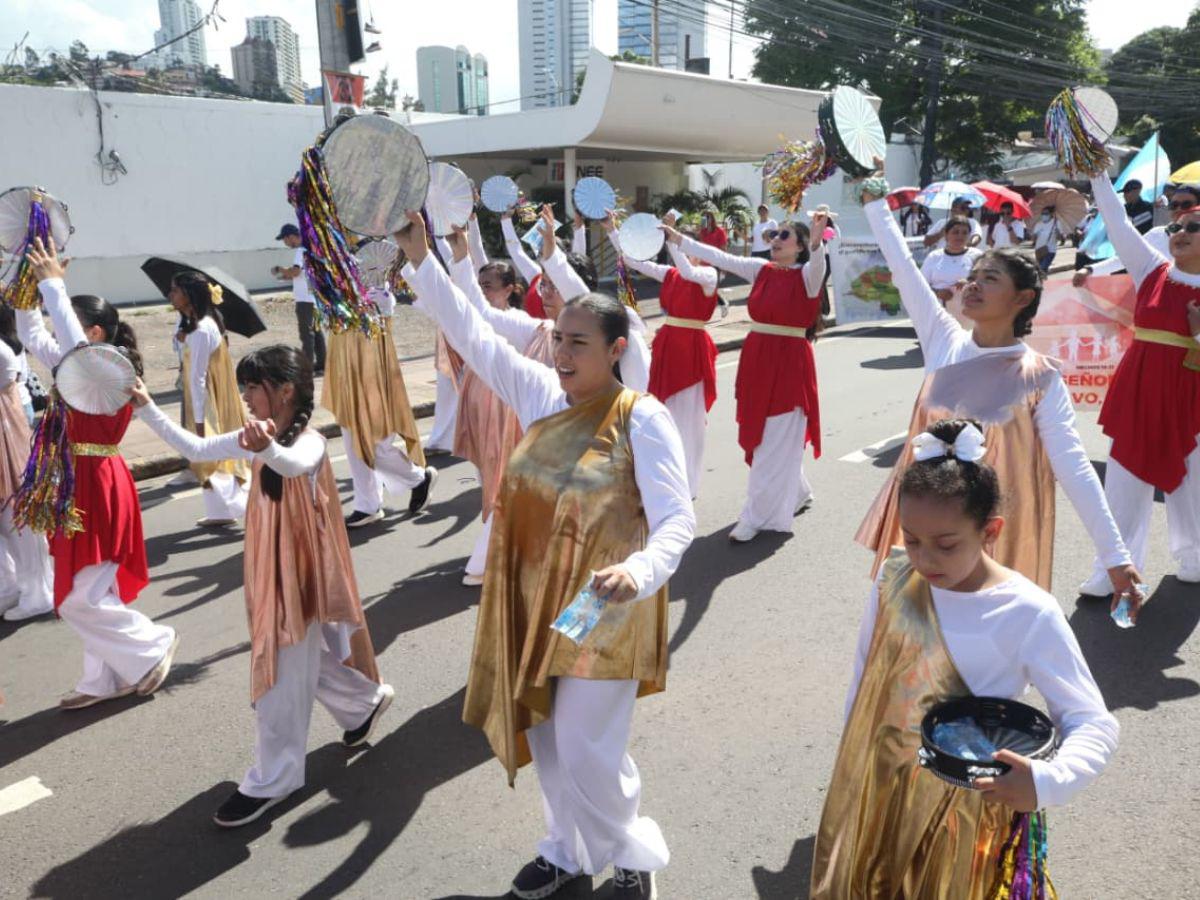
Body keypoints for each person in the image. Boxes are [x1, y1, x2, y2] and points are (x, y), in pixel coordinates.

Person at [397, 211, 694, 900]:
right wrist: (421, 256)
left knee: (591, 747)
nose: (561, 353)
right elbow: (471, 332)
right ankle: (567, 849)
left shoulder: (640, 417)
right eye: (558, 338)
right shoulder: (539, 395)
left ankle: (632, 858)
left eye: (578, 343)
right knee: (551, 740)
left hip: (605, 602)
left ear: (617, 348)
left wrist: (639, 570)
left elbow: (678, 519)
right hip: (537, 596)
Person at [811, 418, 1119, 898]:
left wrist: (1046, 781)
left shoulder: (1026, 611)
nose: (925, 558)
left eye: (947, 543)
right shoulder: (893, 577)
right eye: (911, 538)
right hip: (881, 793)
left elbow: (1092, 722)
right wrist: (850, 773)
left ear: (990, 531)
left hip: (962, 821)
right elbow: (865, 679)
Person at [131, 345, 394, 827]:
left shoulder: (309, 442)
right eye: (245, 386)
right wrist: (146, 406)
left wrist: (265, 449)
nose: (246, 396)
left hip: (298, 576)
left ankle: (275, 777)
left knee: (279, 670)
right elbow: (197, 449)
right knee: (297, 658)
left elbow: (292, 465)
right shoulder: (257, 435)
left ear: (286, 390)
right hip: (272, 569)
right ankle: (362, 703)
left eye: (254, 386)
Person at [857, 167, 1139, 597]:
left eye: (989, 279)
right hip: (920, 535)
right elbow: (903, 268)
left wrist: (1116, 557)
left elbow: (1075, 468)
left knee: (979, 651)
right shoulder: (944, 340)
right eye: (973, 277)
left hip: (988, 543)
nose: (973, 286)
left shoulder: (1040, 376)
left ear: (1023, 299)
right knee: (907, 644)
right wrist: (875, 204)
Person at [16, 237, 177, 709]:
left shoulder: (106, 369)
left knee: (76, 598)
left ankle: (151, 644)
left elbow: (66, 335)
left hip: (98, 483)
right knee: (96, 588)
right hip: (79, 480)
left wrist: (53, 285)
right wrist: (28, 291)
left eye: (80, 330)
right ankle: (102, 679)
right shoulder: (73, 366)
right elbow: (33, 337)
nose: (67, 335)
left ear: (98, 335)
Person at [663, 215, 827, 543]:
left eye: (784, 235)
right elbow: (721, 257)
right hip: (756, 360)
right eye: (774, 234)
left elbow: (819, 264)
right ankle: (797, 490)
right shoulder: (760, 269)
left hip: (789, 364)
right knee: (763, 431)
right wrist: (678, 239)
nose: (776, 239)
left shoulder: (808, 275)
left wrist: (818, 242)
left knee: (774, 436)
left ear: (799, 246)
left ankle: (755, 516)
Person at [1075, 171, 1200, 592]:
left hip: (1191, 396)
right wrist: (1097, 174)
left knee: (1191, 482)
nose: (1179, 231)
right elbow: (1117, 223)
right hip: (1141, 389)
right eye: (1177, 225)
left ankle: (1195, 553)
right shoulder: (1152, 269)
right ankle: (1112, 565)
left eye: (1193, 226)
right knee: (1124, 478)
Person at [603, 211, 719, 497]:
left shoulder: (708, 274)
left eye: (688, 248)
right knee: (664, 415)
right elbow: (633, 260)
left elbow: (689, 271)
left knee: (689, 422)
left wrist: (673, 240)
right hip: (669, 347)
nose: (685, 253)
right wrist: (612, 232)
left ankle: (688, 484)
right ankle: (667, 475)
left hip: (692, 350)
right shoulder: (671, 274)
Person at [324, 280, 436, 529]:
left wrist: (383, 305)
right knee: (352, 439)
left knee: (375, 444)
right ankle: (367, 504)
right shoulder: (333, 281)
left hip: (371, 368)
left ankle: (418, 478)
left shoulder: (376, 287)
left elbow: (384, 323)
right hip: (345, 363)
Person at [169, 272, 250, 526]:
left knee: (213, 457)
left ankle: (247, 508)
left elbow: (198, 379)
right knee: (206, 459)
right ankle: (219, 513)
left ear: (190, 296)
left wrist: (201, 420)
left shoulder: (202, 328)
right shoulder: (194, 325)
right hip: (203, 399)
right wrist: (181, 337)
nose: (170, 295)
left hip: (207, 402)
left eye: (175, 290)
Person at [0, 306, 53, 622]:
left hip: (7, 434)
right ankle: (12, 587)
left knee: (17, 519)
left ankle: (37, 593)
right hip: (9, 429)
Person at [1073, 184, 1199, 285]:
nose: (1178, 209)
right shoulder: (1157, 235)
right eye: (1174, 205)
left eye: (1186, 204)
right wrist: (1090, 270)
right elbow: (1125, 258)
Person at [501, 208, 587, 319]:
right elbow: (516, 252)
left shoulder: (568, 279)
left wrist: (579, 226)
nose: (543, 254)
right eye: (541, 251)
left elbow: (579, 255)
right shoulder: (536, 276)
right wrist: (506, 220)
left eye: (549, 249)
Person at [272, 224, 325, 374]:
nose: (285, 243)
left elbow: (295, 271)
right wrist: (288, 276)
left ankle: (307, 367)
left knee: (306, 333)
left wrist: (280, 269)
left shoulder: (300, 251)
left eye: (284, 240)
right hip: (313, 297)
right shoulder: (311, 248)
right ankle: (322, 364)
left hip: (304, 299)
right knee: (317, 332)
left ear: (290, 236)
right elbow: (303, 274)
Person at [919, 216, 984, 326]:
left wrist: (969, 282)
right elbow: (920, 284)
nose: (960, 236)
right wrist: (938, 293)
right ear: (946, 234)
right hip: (938, 314)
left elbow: (987, 282)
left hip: (969, 316)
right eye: (955, 232)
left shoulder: (977, 255)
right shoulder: (934, 256)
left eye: (964, 233)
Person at [1031, 207, 1062, 273]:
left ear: (1051, 214)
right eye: (1042, 213)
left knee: (1042, 268)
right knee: (1041, 269)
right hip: (1039, 250)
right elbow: (1033, 239)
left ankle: (1040, 281)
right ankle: (1043, 282)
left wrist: (1058, 233)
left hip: (1050, 251)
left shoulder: (1056, 223)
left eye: (1046, 213)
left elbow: (1060, 238)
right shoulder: (1038, 224)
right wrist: (1034, 236)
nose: (1044, 215)